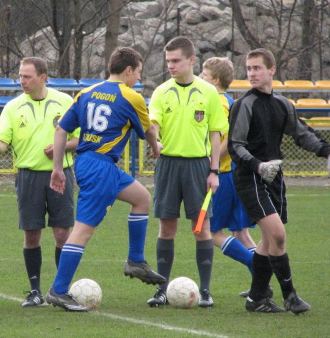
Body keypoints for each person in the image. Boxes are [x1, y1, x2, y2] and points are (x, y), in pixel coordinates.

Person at [46, 47, 166, 311]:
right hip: (100, 167)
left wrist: (57, 168)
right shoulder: (131, 96)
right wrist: (156, 148)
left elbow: (61, 129)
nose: (137, 78)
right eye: (138, 73)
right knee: (82, 231)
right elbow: (148, 131)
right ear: (128, 70)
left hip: (92, 164)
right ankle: (58, 290)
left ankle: (135, 260)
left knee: (142, 199)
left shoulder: (86, 92)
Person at [228, 48, 330, 314]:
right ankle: (290, 296)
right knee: (277, 235)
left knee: (267, 241)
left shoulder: (283, 104)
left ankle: (255, 299)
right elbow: (235, 147)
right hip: (250, 176)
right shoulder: (243, 104)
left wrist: (326, 150)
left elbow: (302, 134)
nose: (251, 73)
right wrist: (258, 166)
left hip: (274, 178)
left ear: (272, 70)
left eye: (257, 68)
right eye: (249, 68)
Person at [0, 57, 78, 307]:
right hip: (28, 177)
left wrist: (62, 146)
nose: (22, 81)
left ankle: (61, 289)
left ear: (43, 77)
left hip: (61, 174)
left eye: (27, 76)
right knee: (31, 235)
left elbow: (80, 138)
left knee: (62, 233)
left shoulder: (65, 102)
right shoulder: (13, 107)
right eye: (20, 76)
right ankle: (35, 291)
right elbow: (2, 144)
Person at [146, 37, 228, 308]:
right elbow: (154, 123)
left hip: (198, 167)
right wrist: (154, 140)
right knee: (167, 226)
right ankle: (161, 289)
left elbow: (216, 133)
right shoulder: (161, 91)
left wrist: (214, 171)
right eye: (168, 61)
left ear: (191, 60)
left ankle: (205, 290)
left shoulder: (208, 93)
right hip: (168, 165)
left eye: (176, 60)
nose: (170, 65)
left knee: (200, 228)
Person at [199, 57, 268, 297]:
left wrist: (212, 162)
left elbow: (229, 139)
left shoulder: (218, 102)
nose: (199, 78)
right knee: (241, 232)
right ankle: (261, 285)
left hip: (224, 175)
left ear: (216, 80)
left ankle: (256, 266)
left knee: (212, 232)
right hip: (236, 175)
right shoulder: (230, 101)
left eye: (204, 75)